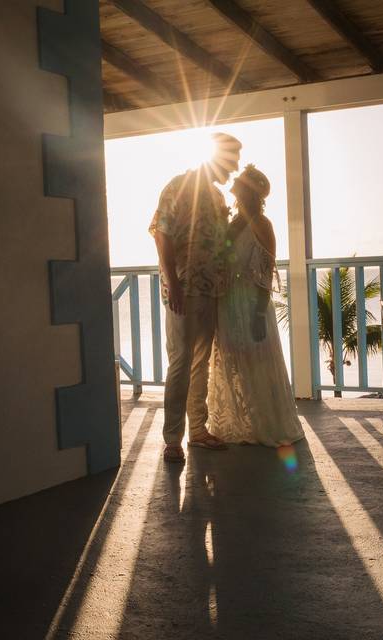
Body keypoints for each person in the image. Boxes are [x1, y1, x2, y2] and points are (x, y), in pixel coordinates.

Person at [149, 133, 241, 463]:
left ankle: (198, 431)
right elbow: (162, 234)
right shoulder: (179, 185)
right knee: (180, 363)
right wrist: (173, 283)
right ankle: (172, 439)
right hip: (184, 289)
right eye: (233, 160)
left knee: (200, 363)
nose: (235, 167)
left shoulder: (217, 198)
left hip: (211, 291)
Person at [207, 165, 305, 447]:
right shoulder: (233, 222)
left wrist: (259, 313)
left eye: (239, 182)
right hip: (228, 301)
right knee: (234, 360)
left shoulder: (262, 224)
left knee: (258, 362)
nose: (233, 184)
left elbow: (265, 270)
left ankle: (267, 423)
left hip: (251, 302)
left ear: (249, 191)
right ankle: (241, 423)